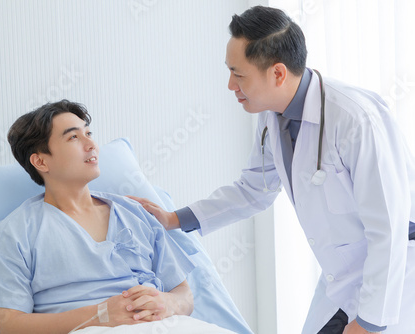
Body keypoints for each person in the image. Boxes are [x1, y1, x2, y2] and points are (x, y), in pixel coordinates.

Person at [129, 6, 415, 334]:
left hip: (396, 277)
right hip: (343, 275)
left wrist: (369, 323)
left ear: (277, 73)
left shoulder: (356, 119)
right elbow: (254, 190)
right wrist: (173, 219)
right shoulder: (272, 116)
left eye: (239, 75)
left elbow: (388, 230)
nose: (230, 85)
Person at [0, 100, 235, 334]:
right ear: (40, 161)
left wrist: (168, 303)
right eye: (73, 137)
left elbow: (184, 294)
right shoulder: (14, 233)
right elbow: (10, 324)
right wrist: (100, 315)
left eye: (88, 134)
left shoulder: (134, 212)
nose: (91, 144)